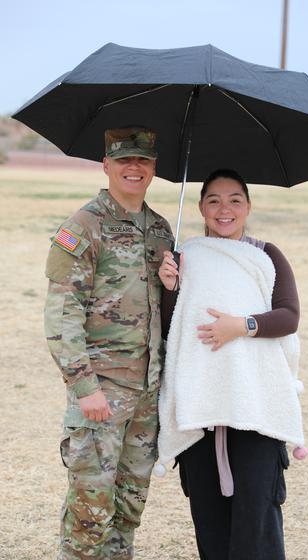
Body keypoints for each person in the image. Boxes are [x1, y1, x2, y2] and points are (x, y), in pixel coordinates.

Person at [158, 168, 306, 560]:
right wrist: (170, 288)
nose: (225, 209)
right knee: (209, 518)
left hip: (253, 402)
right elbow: (171, 329)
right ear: (201, 208)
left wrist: (241, 326)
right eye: (214, 201)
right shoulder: (185, 257)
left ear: (248, 206)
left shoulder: (265, 254)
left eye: (234, 200)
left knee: (256, 513)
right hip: (202, 401)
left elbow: (288, 316)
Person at [44, 126, 173, 560]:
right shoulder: (84, 226)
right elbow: (62, 317)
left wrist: (175, 283)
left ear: (154, 167)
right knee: (90, 513)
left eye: (143, 160)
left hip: (147, 395)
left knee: (129, 508)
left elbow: (163, 312)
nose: (134, 168)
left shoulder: (159, 231)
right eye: (124, 160)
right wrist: (86, 388)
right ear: (106, 165)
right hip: (102, 392)